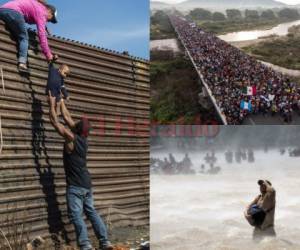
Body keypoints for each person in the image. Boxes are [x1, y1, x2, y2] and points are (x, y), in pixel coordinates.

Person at [48, 92, 113, 250]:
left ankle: (85, 245)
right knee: (91, 211)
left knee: (76, 215)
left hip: (76, 186)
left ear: (76, 128)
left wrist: (51, 104)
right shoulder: (83, 138)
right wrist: (61, 100)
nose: (75, 121)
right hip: (87, 184)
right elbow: (66, 116)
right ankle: (105, 242)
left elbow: (56, 123)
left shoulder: (71, 138)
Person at [0, 0, 58, 73]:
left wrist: (45, 26)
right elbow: (42, 35)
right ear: (49, 11)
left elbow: (35, 14)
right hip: (15, 12)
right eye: (51, 19)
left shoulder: (38, 7)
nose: (49, 21)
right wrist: (48, 54)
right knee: (24, 38)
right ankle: (22, 63)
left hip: (2, 10)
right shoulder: (42, 13)